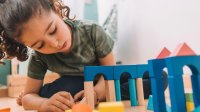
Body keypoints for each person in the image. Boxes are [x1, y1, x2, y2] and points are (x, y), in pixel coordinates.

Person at [0, 0, 168, 112]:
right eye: (40, 45)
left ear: (57, 10)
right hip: (75, 83)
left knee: (160, 77)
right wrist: (43, 104)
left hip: (108, 77)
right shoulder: (38, 57)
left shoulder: (92, 31)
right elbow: (29, 97)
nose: (55, 44)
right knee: (61, 91)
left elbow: (109, 71)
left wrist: (96, 92)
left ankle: (101, 97)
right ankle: (95, 98)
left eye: (53, 30)